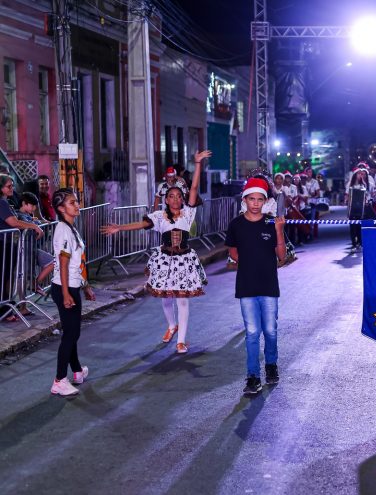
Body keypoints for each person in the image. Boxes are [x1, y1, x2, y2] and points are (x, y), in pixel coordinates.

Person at [101, 151, 210, 354]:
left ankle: (181, 341)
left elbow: (194, 188)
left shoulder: (188, 213)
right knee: (166, 298)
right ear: (166, 200)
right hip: (165, 260)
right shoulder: (159, 216)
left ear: (182, 199)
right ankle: (172, 325)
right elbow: (141, 224)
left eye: (179, 196)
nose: (175, 199)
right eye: (171, 196)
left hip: (184, 261)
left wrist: (197, 164)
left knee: (182, 299)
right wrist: (120, 228)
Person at [225, 177, 287, 395]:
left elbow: (282, 256)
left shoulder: (271, 222)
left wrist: (279, 230)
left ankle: (271, 365)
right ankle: (252, 376)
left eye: (260, 199)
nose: (255, 203)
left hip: (269, 285)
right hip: (246, 286)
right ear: (244, 200)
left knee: (270, 330)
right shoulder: (236, 225)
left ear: (265, 201)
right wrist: (248, 263)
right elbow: (233, 251)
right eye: (251, 199)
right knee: (252, 332)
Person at [49, 188, 96, 396]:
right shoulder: (63, 229)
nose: (77, 205)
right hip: (64, 287)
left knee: (72, 331)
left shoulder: (71, 228)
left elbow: (78, 264)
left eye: (76, 201)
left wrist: (85, 286)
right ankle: (59, 380)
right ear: (61, 208)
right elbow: (63, 262)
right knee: (71, 333)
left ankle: (76, 371)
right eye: (71, 202)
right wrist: (67, 293)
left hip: (73, 286)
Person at [0, 175, 44, 322]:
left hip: (7, 243)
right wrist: (33, 226)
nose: (12, 188)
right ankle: (4, 308)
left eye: (12, 185)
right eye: (9, 186)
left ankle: (7, 306)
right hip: (3, 244)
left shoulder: (6, 201)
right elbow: (13, 222)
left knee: (7, 277)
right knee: (4, 277)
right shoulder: (2, 202)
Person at [16, 192, 55, 295]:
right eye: (32, 205)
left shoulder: (28, 216)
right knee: (24, 275)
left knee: (52, 262)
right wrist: (36, 223)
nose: (34, 208)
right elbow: (28, 224)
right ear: (24, 203)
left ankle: (34, 283)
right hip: (24, 250)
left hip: (33, 248)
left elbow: (33, 223)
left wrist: (37, 222)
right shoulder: (19, 216)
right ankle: (23, 300)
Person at [346, 167, 376, 251]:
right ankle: (354, 244)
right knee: (352, 227)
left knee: (359, 226)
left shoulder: (363, 185)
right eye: (359, 173)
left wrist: (367, 201)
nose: (360, 175)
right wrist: (347, 202)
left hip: (361, 209)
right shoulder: (350, 185)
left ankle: (360, 243)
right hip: (352, 209)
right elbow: (347, 196)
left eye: (361, 174)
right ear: (355, 175)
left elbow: (366, 195)